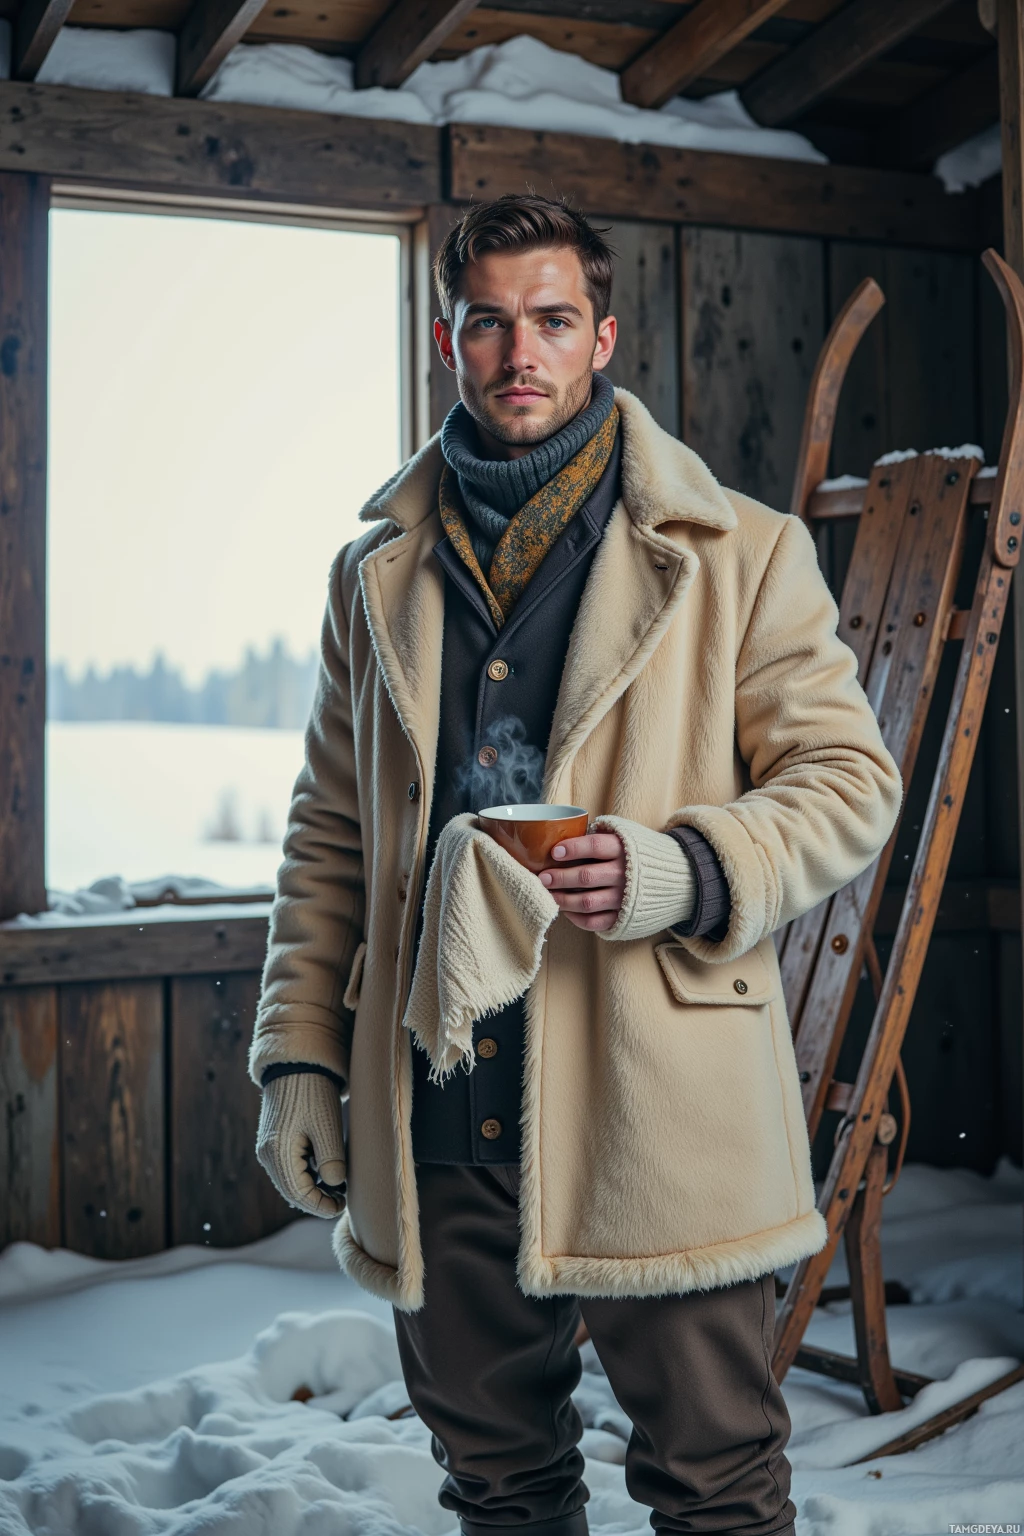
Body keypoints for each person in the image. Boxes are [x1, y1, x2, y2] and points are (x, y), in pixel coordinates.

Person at [249, 194, 903, 1536]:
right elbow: (329, 833)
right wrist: (300, 1058)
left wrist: (688, 868)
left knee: (715, 1484)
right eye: (488, 323)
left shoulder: (744, 550)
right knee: (497, 1485)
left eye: (551, 320)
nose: (518, 353)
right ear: (451, 341)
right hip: (443, 1101)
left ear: (601, 336)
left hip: (661, 1104)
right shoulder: (370, 576)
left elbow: (851, 784)